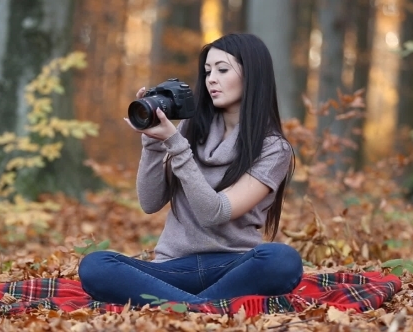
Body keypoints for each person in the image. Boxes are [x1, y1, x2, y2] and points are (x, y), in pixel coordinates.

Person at [78, 33, 303, 306]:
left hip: (234, 267)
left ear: (252, 75)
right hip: (174, 267)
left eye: (222, 69)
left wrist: (176, 144)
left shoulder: (273, 148)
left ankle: (179, 306)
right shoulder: (191, 127)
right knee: (95, 265)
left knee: (282, 260)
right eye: (208, 71)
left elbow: (215, 212)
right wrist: (152, 143)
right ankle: (202, 307)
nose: (211, 79)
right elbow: (150, 203)